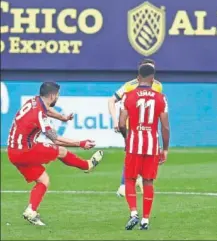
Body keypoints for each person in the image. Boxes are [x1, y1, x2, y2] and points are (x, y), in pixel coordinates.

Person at [7, 82, 104, 226]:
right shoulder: (39, 113)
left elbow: (47, 110)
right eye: (58, 95)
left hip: (13, 151)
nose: (58, 97)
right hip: (25, 150)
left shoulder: (35, 101)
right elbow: (56, 139)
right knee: (61, 151)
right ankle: (86, 165)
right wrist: (80, 143)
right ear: (52, 95)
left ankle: (31, 211)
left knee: (43, 180)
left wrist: (62, 118)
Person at [118, 63, 170, 230]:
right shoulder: (161, 98)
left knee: (130, 179)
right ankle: (146, 220)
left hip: (134, 144)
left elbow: (121, 123)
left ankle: (133, 213)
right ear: (153, 79)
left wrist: (128, 138)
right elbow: (165, 126)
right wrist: (165, 148)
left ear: (138, 78)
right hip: (152, 145)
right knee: (148, 181)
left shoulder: (128, 96)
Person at [108, 59, 163, 196]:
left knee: (148, 155)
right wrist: (116, 120)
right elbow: (111, 100)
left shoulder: (158, 86)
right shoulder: (129, 86)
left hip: (149, 128)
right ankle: (125, 185)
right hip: (131, 128)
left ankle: (137, 180)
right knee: (132, 155)